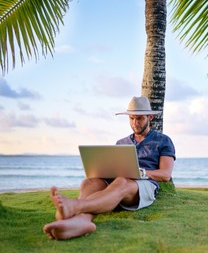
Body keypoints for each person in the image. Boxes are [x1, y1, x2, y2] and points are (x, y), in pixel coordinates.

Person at [43, 96, 176, 240]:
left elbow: (165, 174)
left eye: (140, 119)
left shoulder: (163, 141)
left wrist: (141, 172)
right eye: (131, 119)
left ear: (150, 117)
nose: (135, 123)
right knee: (90, 182)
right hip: (117, 182)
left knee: (122, 182)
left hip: (143, 185)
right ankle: (80, 223)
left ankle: (75, 206)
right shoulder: (121, 142)